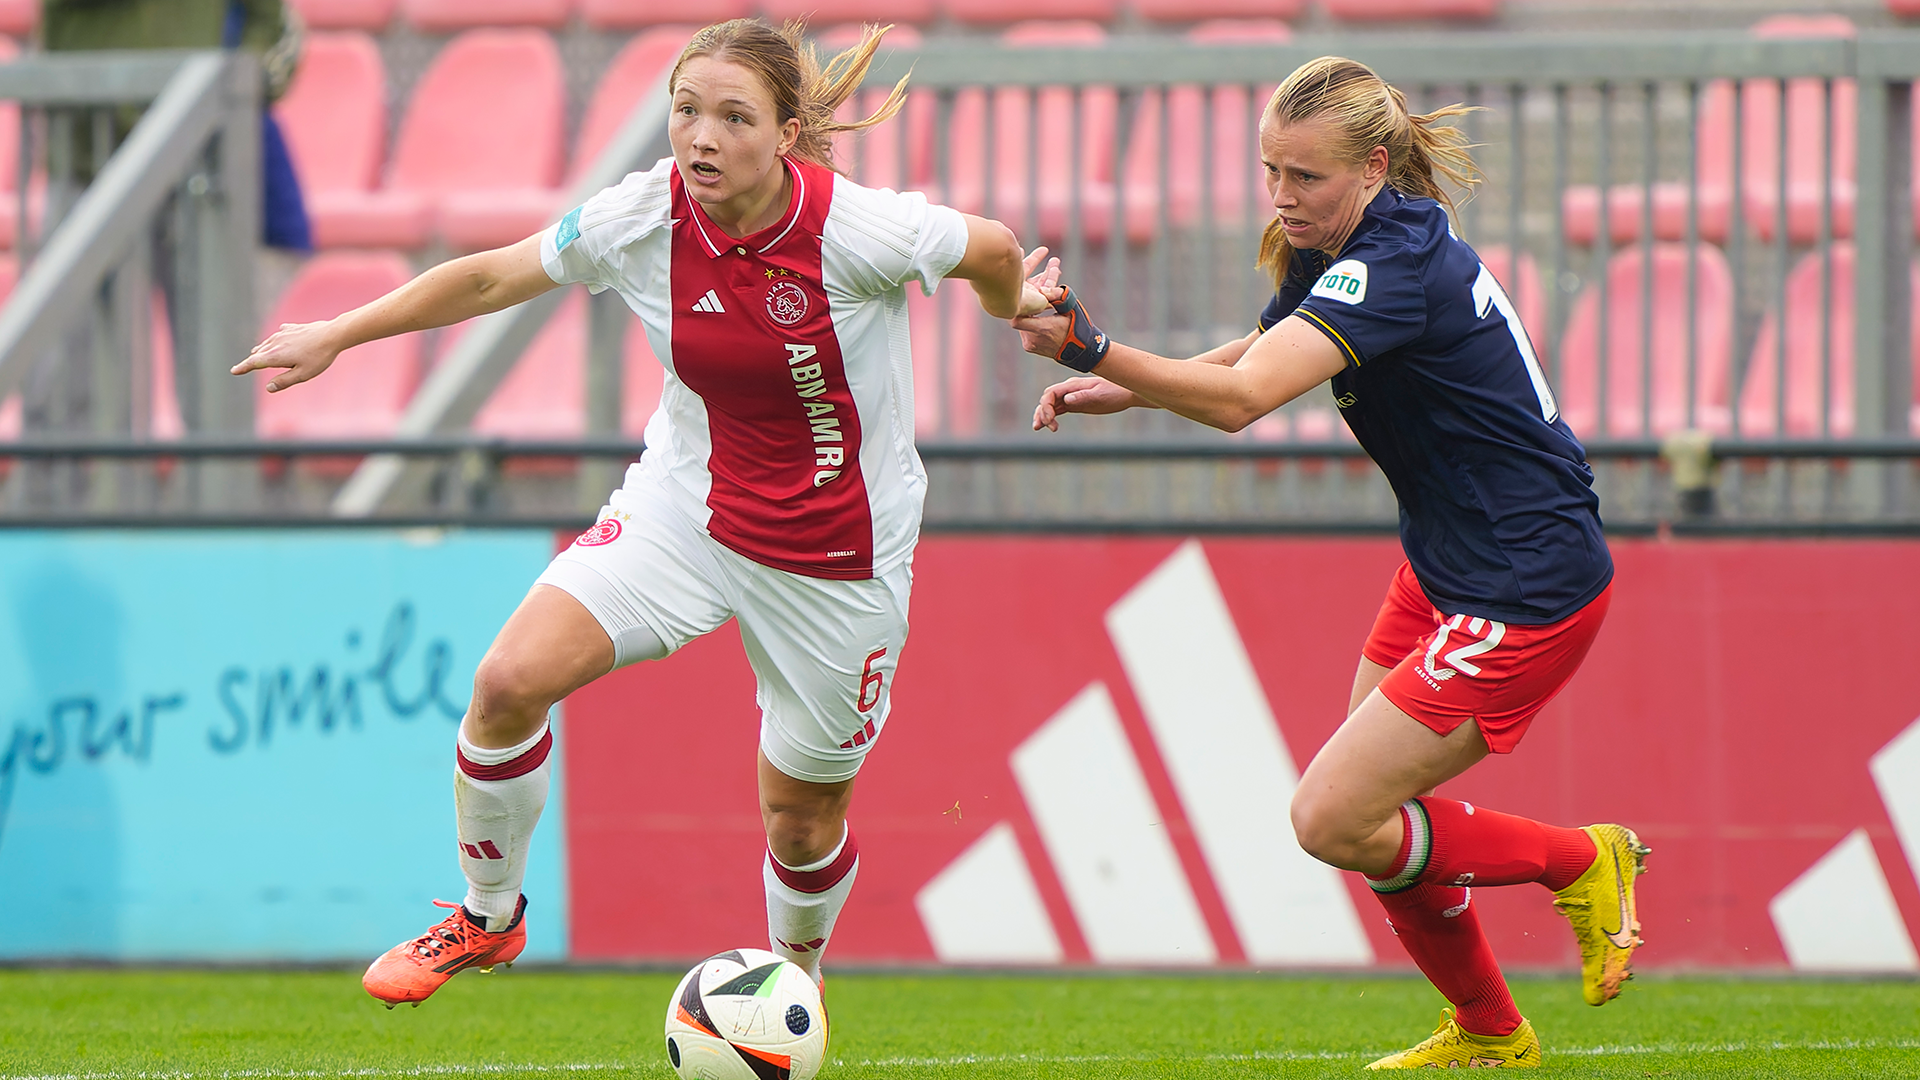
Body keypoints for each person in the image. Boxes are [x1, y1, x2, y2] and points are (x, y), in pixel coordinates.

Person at [232, 19, 1056, 1009]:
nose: (701, 138)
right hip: (688, 511)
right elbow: (494, 273)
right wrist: (339, 331)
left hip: (838, 557)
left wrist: (1017, 308)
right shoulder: (640, 218)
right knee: (505, 684)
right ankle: (488, 917)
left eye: (733, 118)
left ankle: (793, 985)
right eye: (686, 111)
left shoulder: (859, 230)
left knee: (800, 820)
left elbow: (995, 248)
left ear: (790, 131)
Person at [1014, 56, 1646, 1070]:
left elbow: (1241, 404)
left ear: (1373, 168)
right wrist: (1131, 385)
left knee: (1333, 815)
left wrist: (1095, 350)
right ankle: (1490, 1032)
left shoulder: (1391, 265)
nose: (1282, 195)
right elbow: (1262, 353)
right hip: (1449, 568)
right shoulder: (1344, 245)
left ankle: (1583, 858)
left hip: (1528, 588)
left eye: (1304, 176)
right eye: (1271, 170)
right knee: (1368, 814)